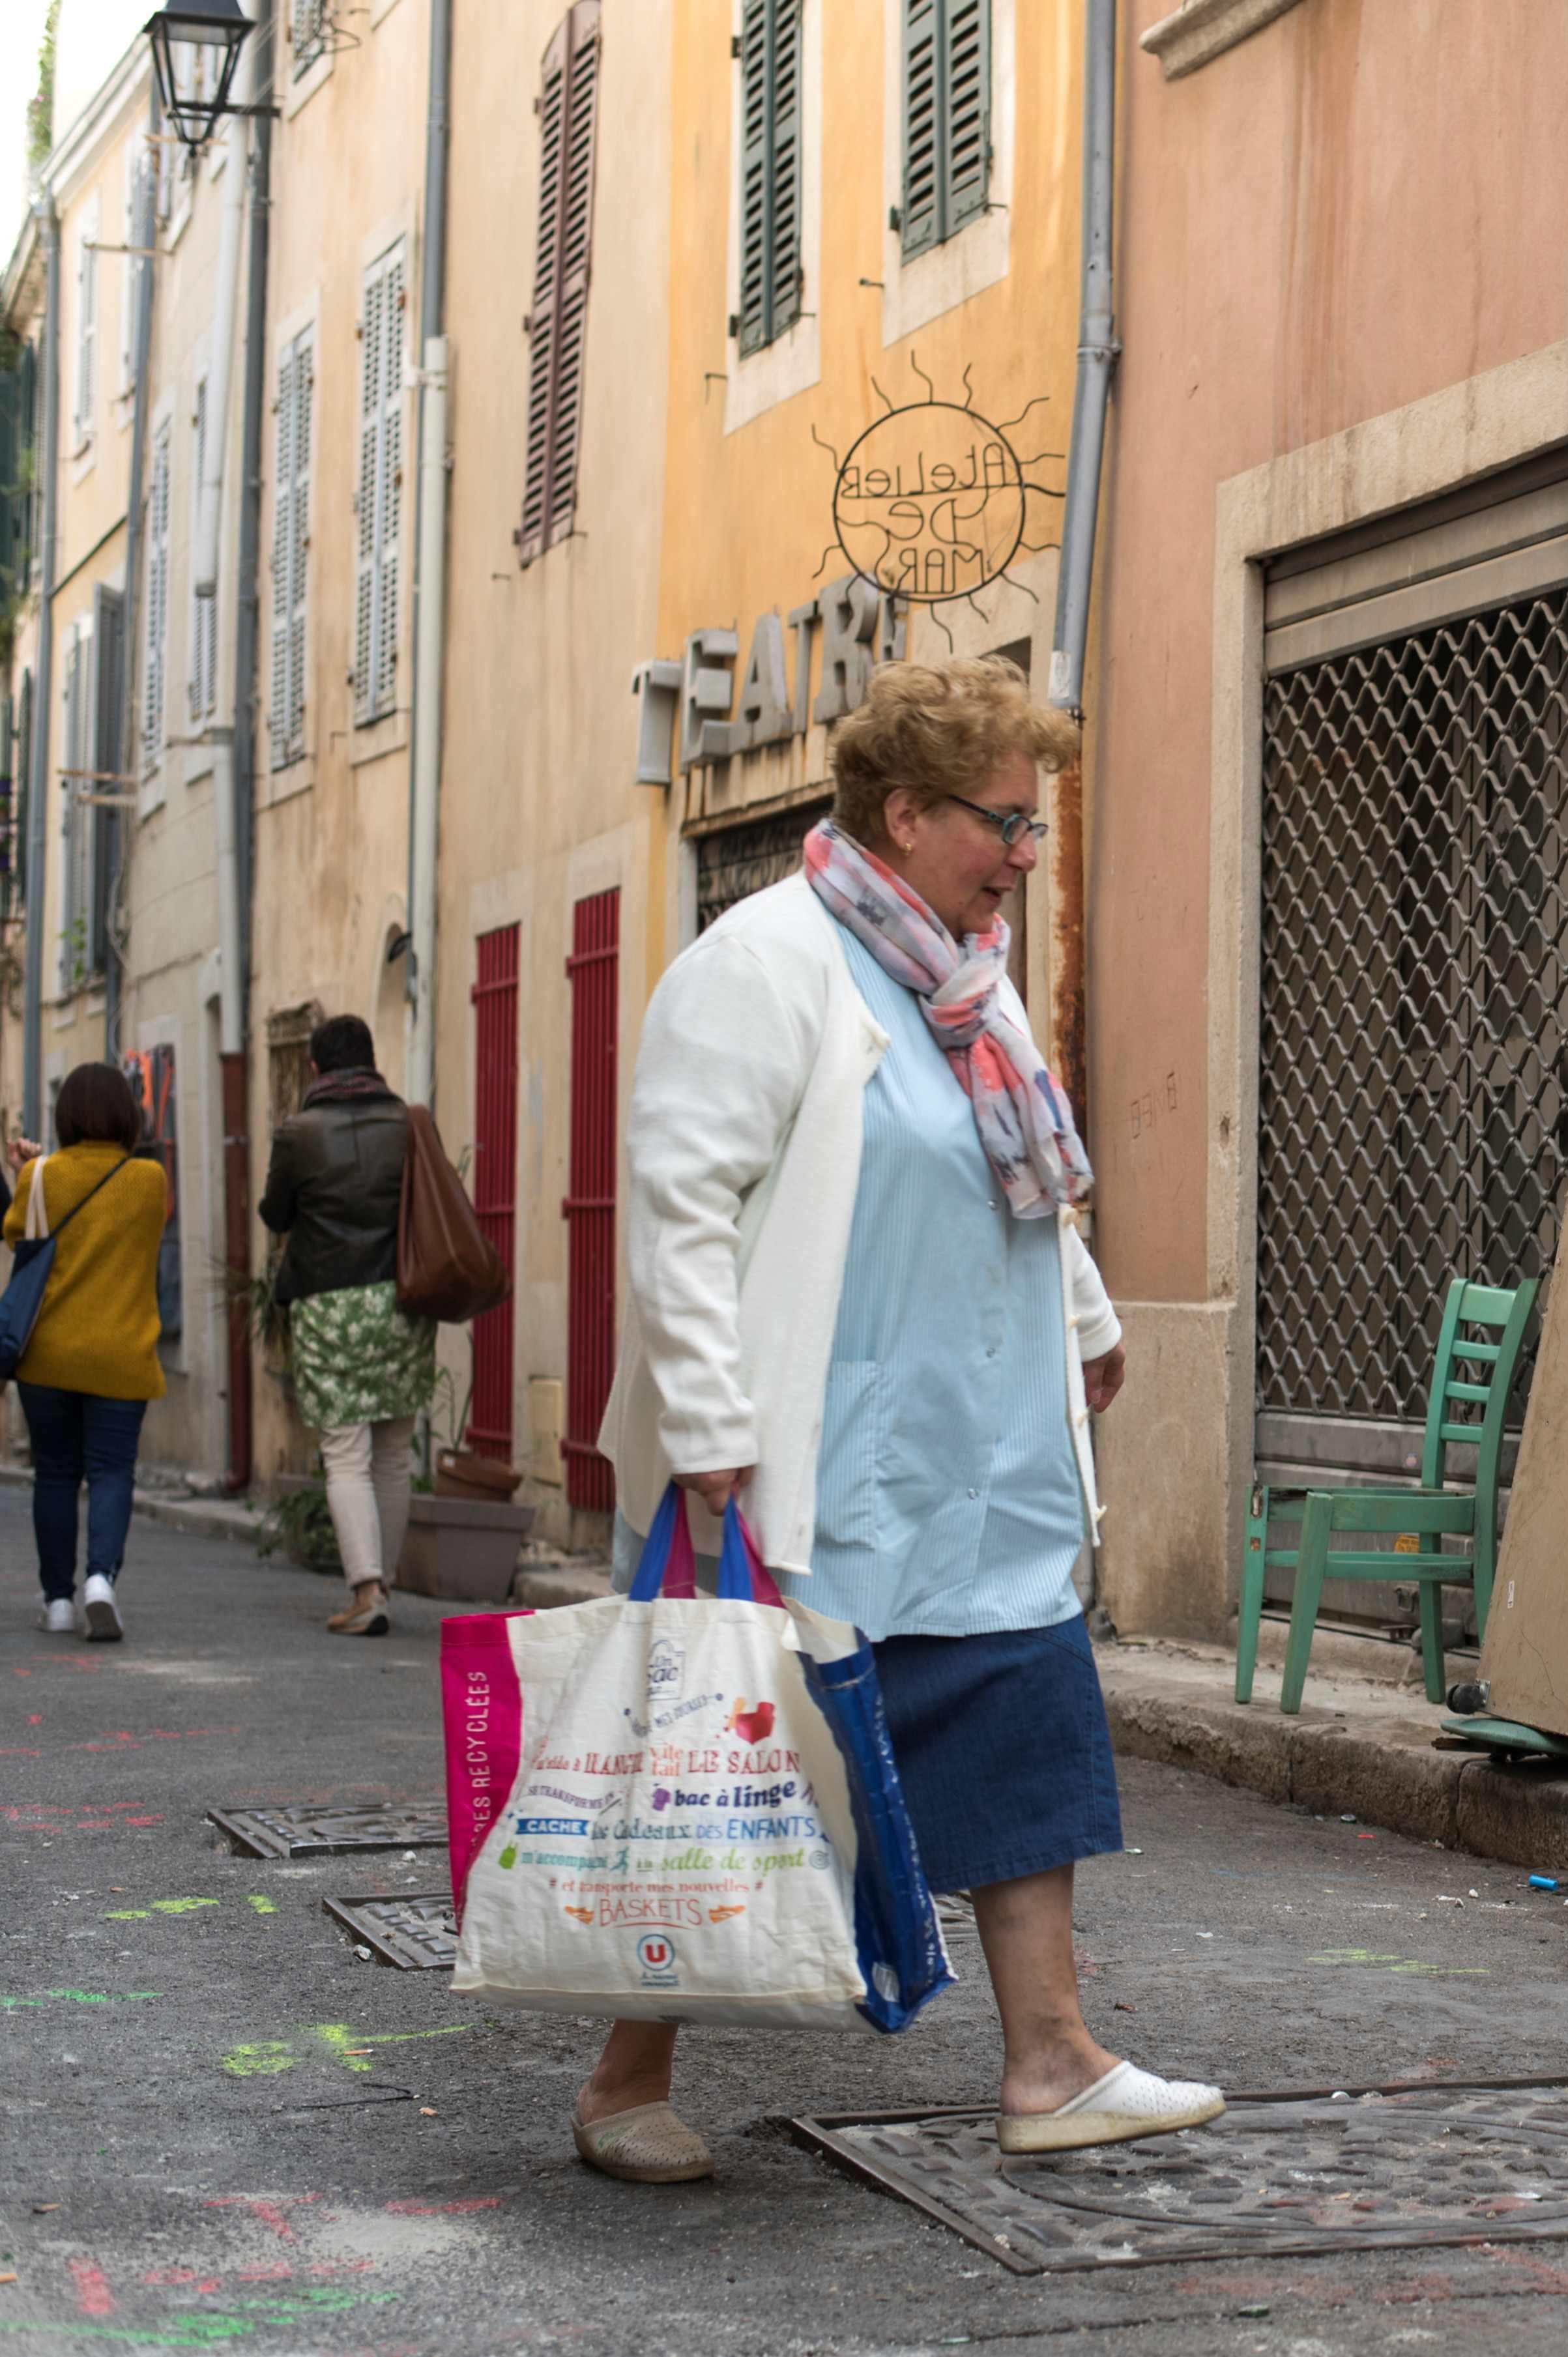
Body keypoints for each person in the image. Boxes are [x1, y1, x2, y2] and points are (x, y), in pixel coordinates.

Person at [572, 655, 1212, 2186]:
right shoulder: (765, 960)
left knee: (1017, 1713)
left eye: (1035, 819)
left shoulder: (965, 980)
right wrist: (711, 1422)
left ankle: (1051, 2057)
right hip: (820, 1446)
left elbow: (1020, 1195)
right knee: (745, 1749)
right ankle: (622, 2074)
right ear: (909, 811)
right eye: (1005, 817)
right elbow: (678, 1208)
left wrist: (1085, 1321)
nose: (1027, 849)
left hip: (978, 1445)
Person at [259, 1015, 433, 1638]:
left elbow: (274, 1212)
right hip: (403, 1299)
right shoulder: (408, 1124)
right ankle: (379, 1582)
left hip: (329, 1303)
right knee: (391, 1453)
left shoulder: (299, 1133)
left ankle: (366, 1588)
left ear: (315, 1068)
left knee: (346, 1452)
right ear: (372, 1059)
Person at [11, 1064, 169, 1641]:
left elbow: (15, 1235)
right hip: (122, 1355)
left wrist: (26, 1174)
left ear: (65, 1115)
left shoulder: (41, 1175)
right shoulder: (150, 1179)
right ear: (127, 1115)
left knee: (54, 1474)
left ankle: (57, 1599)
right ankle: (100, 1578)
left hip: (47, 1355)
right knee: (110, 1471)